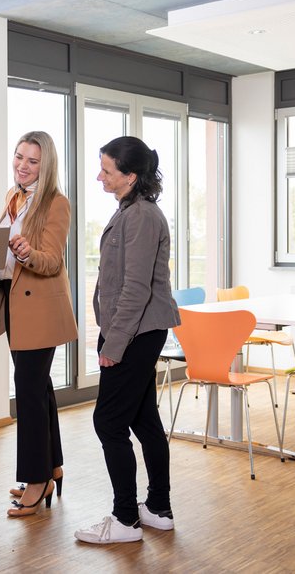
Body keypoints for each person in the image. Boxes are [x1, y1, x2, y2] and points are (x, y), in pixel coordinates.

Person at [74, 136, 180, 545]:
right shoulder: (133, 211)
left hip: (135, 333)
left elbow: (135, 288)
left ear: (130, 175)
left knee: (108, 421)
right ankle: (157, 509)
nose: (100, 176)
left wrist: (112, 344)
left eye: (107, 170)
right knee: (143, 419)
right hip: (140, 329)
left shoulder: (140, 216)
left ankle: (124, 520)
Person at [0, 131, 78, 518]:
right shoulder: (13, 198)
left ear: (47, 166)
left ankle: (36, 479)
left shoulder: (56, 203)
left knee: (26, 393)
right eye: (18, 157)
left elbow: (52, 261)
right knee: (39, 389)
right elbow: (2, 249)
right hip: (13, 305)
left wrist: (28, 253)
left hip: (40, 311)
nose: (22, 166)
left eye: (32, 161)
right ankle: (53, 464)